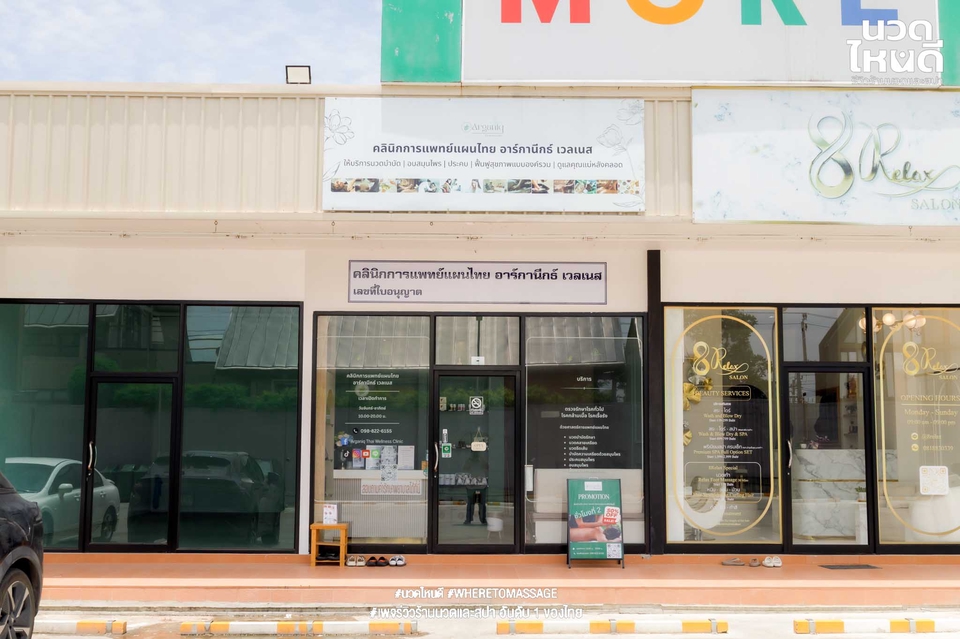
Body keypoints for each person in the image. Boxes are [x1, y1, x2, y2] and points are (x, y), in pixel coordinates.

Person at [462, 451, 488, 525]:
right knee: (473, 503)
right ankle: (472, 519)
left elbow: (487, 467)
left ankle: (479, 519)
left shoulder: (481, 460)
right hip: (472, 484)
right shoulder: (469, 461)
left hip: (479, 484)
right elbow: (464, 469)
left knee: (479, 503)